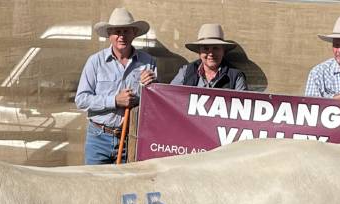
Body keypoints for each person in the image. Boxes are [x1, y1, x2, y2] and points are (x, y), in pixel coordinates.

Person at [75, 8, 157, 165]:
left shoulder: (148, 62)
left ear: (134, 33)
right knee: (96, 184)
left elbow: (153, 105)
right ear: (109, 35)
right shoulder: (95, 62)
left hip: (131, 137)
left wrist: (151, 88)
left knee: (124, 187)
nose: (122, 36)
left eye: (126, 31)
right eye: (117, 31)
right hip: (98, 137)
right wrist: (115, 100)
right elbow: (81, 100)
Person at [169, 24, 247, 90]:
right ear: (199, 52)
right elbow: (171, 95)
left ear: (223, 51)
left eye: (215, 48)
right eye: (206, 48)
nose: (211, 53)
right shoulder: (186, 72)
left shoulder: (236, 76)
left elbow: (243, 104)